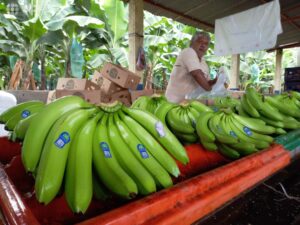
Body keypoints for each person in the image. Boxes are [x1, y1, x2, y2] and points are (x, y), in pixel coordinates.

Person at [165, 31, 218, 103]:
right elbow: (197, 74)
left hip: (190, 104)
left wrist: (216, 80)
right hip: (176, 103)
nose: (203, 45)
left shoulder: (203, 61)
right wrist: (211, 92)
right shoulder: (188, 52)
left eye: (206, 44)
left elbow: (207, 82)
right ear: (192, 43)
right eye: (200, 42)